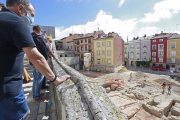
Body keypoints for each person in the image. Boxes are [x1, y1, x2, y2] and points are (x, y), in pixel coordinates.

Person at [0, 0, 70, 119]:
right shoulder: (16, 22)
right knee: (23, 115)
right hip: (7, 91)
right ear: (21, 8)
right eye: (31, 15)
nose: (32, 19)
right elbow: (35, 57)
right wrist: (55, 78)